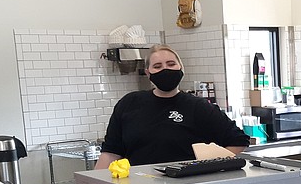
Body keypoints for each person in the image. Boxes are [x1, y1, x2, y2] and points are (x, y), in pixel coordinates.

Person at [95, 44, 249, 169]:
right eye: (157, 66)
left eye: (171, 64)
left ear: (180, 67)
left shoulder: (198, 107)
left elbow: (238, 141)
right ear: (148, 73)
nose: (165, 69)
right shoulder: (129, 104)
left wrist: (208, 168)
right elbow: (110, 153)